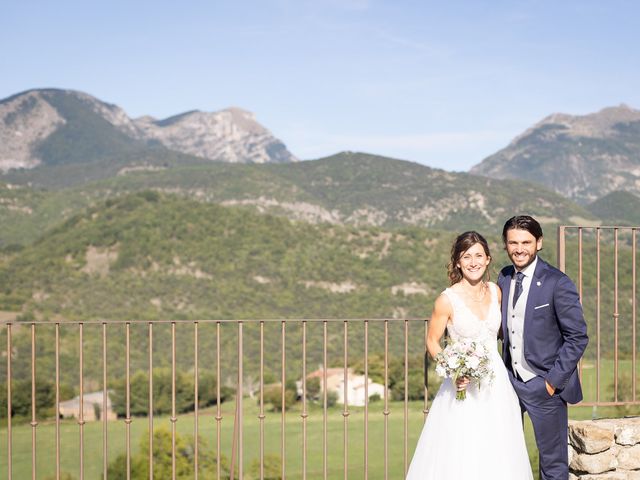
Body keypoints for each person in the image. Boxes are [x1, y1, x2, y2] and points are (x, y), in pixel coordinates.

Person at [407, 231, 533, 480]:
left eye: (478, 256)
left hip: (496, 384)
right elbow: (432, 341)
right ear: (457, 262)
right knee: (463, 448)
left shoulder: (496, 292)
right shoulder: (446, 300)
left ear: (487, 259)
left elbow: (503, 333)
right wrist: (454, 371)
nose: (473, 262)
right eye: (466, 257)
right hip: (462, 385)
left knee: (499, 447)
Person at [498, 215, 588, 480]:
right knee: (504, 453)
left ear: (539, 243)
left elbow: (577, 336)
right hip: (509, 384)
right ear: (506, 245)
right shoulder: (504, 277)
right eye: (513, 242)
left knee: (552, 464)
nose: (519, 248)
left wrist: (551, 382)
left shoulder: (557, 282)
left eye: (526, 242)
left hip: (544, 386)